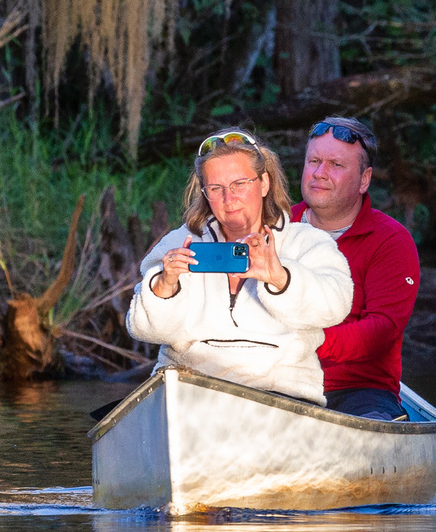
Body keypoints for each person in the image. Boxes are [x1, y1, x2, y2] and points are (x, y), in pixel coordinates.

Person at [127, 128, 354, 403]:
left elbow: (337, 305)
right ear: (205, 193)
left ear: (264, 183)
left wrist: (281, 278)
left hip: (281, 395)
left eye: (239, 184)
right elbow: (143, 330)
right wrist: (164, 286)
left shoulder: (307, 242)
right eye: (216, 188)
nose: (228, 198)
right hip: (187, 393)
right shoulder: (179, 242)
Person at [290, 116, 420, 420]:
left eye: (336, 165)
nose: (319, 173)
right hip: (277, 379)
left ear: (364, 179)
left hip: (358, 390)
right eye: (314, 161)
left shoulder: (391, 240)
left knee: (373, 420)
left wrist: (305, 343)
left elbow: (382, 330)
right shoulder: (275, 225)